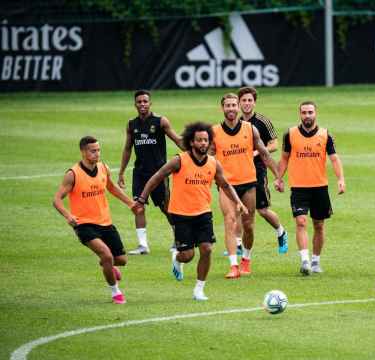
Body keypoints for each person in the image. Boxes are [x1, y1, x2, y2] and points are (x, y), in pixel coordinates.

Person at [132, 122, 248, 301]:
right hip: (180, 214)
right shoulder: (179, 160)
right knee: (188, 255)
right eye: (199, 140)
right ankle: (177, 259)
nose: (203, 143)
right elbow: (157, 177)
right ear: (191, 142)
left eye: (206, 140)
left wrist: (238, 202)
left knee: (207, 249)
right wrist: (142, 198)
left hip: (203, 213)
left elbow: (225, 184)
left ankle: (199, 289)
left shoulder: (213, 163)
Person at [53, 136, 137, 304]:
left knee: (121, 260)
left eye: (98, 150)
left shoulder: (103, 167)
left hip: (105, 222)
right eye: (93, 151)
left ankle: (109, 267)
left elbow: (111, 187)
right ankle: (116, 293)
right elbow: (56, 199)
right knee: (106, 255)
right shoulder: (73, 174)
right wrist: (68, 216)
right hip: (84, 224)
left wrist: (130, 203)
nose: (97, 154)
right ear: (83, 152)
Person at [212, 93, 282, 279]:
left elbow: (265, 154)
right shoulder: (215, 132)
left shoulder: (250, 129)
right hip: (227, 186)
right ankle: (233, 265)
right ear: (222, 108)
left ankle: (246, 260)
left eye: (234, 105)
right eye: (228, 105)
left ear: (238, 107)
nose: (232, 108)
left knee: (249, 225)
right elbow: (208, 159)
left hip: (249, 184)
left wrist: (278, 177)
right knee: (230, 221)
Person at [277, 101, 345, 275]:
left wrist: (340, 179)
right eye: (304, 112)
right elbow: (284, 158)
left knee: (319, 225)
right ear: (299, 114)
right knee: (301, 222)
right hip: (299, 187)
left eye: (310, 112)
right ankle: (305, 261)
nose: (307, 115)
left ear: (316, 113)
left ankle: (316, 261)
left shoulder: (325, 135)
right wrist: (279, 178)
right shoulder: (290, 134)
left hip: (320, 187)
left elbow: (334, 159)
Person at [118, 90, 184, 255]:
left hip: (159, 173)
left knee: (166, 208)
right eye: (139, 102)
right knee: (137, 207)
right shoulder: (131, 125)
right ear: (135, 104)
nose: (142, 104)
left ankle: (179, 239)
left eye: (145, 101)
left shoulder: (160, 121)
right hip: (140, 173)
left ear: (150, 103)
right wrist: (121, 172)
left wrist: (194, 153)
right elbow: (127, 149)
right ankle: (143, 246)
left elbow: (177, 140)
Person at [237, 86, 288, 254]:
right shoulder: (235, 123)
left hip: (258, 169)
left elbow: (274, 144)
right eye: (243, 100)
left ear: (255, 102)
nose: (246, 103)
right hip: (239, 170)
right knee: (237, 208)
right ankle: (238, 244)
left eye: (250, 100)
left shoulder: (262, 121)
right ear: (238, 103)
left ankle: (281, 231)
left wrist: (256, 151)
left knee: (262, 210)